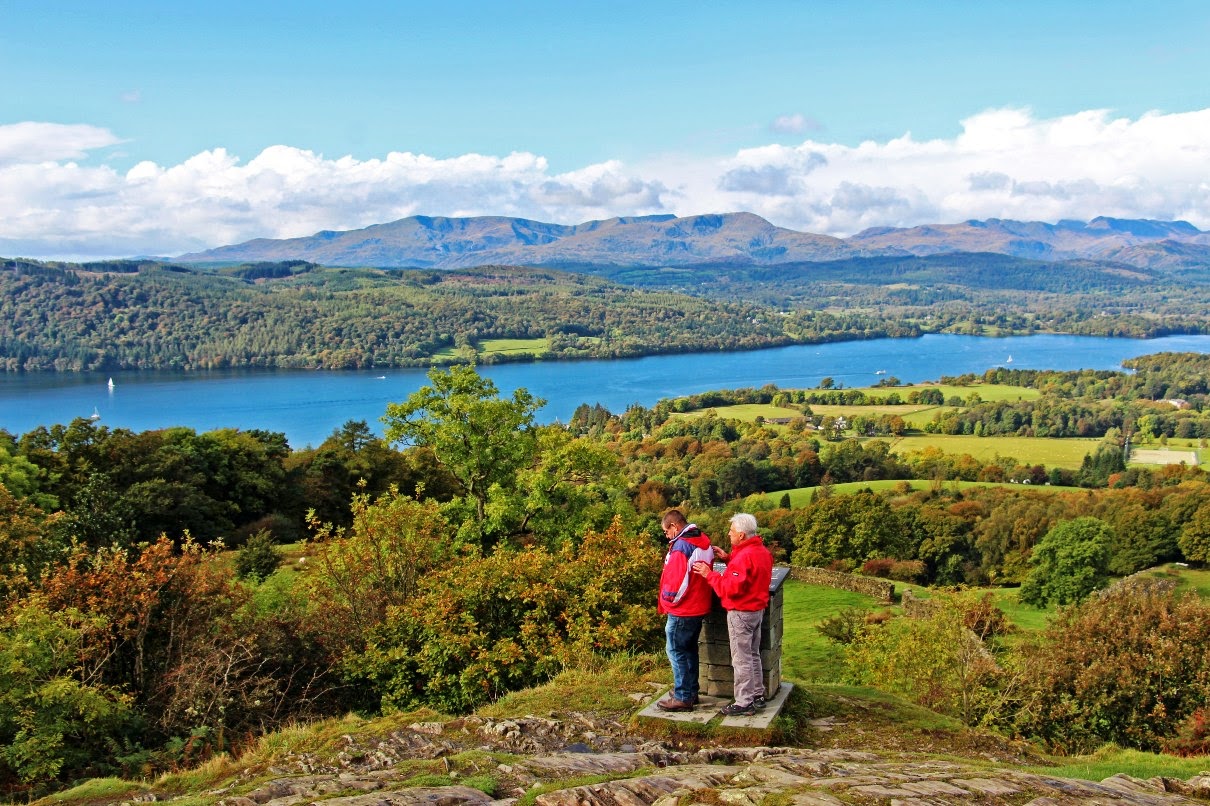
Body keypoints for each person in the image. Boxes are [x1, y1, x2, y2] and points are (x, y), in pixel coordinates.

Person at [692, 512, 773, 716]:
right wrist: (728, 558)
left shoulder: (744, 556)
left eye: (732, 531)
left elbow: (730, 588)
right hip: (757, 610)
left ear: (742, 535)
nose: (729, 534)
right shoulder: (760, 551)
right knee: (753, 653)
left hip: (741, 612)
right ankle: (757, 694)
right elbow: (748, 573)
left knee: (741, 658)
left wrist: (708, 574)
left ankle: (744, 701)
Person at [656, 509, 714, 712]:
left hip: (684, 609)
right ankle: (690, 691)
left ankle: (682, 697)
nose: (666, 536)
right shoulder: (702, 540)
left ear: (674, 526)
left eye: (666, 531)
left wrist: (667, 600)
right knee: (689, 649)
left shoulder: (682, 546)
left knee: (675, 650)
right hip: (699, 605)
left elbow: (677, 580)